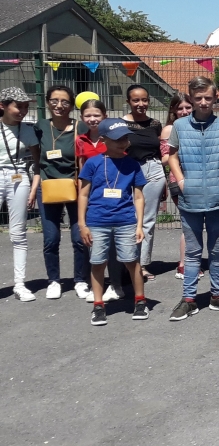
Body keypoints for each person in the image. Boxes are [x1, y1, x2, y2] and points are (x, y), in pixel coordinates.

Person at [167, 76, 219, 321]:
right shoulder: (179, 126)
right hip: (190, 199)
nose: (203, 102)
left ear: (215, 98)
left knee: (217, 249)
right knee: (192, 251)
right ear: (190, 98)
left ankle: (218, 295)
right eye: (198, 98)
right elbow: (172, 157)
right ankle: (189, 299)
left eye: (207, 98)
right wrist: (181, 181)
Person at [77, 118, 148, 325]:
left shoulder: (132, 164)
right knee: (98, 263)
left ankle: (140, 301)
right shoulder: (93, 163)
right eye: (118, 139)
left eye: (126, 138)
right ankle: (98, 305)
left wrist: (139, 225)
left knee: (131, 261)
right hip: (97, 221)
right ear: (103, 139)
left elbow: (138, 196)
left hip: (126, 221)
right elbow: (83, 195)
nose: (123, 142)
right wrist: (82, 224)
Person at [34, 85, 90, 300]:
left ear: (71, 104)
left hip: (75, 187)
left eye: (65, 101)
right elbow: (35, 158)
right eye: (55, 100)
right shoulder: (39, 127)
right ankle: (54, 280)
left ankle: (80, 280)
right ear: (48, 102)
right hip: (47, 187)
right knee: (51, 238)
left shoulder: (81, 127)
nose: (59, 105)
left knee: (79, 237)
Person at [119, 85, 167, 282]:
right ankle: (126, 262)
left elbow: (159, 151)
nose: (141, 104)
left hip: (153, 171)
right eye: (136, 100)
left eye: (144, 100)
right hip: (127, 171)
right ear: (129, 102)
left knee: (147, 220)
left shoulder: (155, 124)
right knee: (127, 219)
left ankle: (143, 264)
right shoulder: (120, 124)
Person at [0, 87, 39, 302]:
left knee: (18, 233)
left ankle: (20, 284)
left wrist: (33, 188)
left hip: (19, 177)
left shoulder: (28, 129)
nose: (23, 111)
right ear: (3, 106)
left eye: (26, 106)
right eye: (18, 106)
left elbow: (37, 161)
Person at [160, 93, 191, 279]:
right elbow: (164, 158)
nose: (184, 111)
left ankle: (192, 262)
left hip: (198, 179)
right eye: (180, 108)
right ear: (173, 110)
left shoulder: (196, 125)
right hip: (178, 180)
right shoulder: (169, 129)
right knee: (188, 223)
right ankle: (183, 264)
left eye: (188, 107)